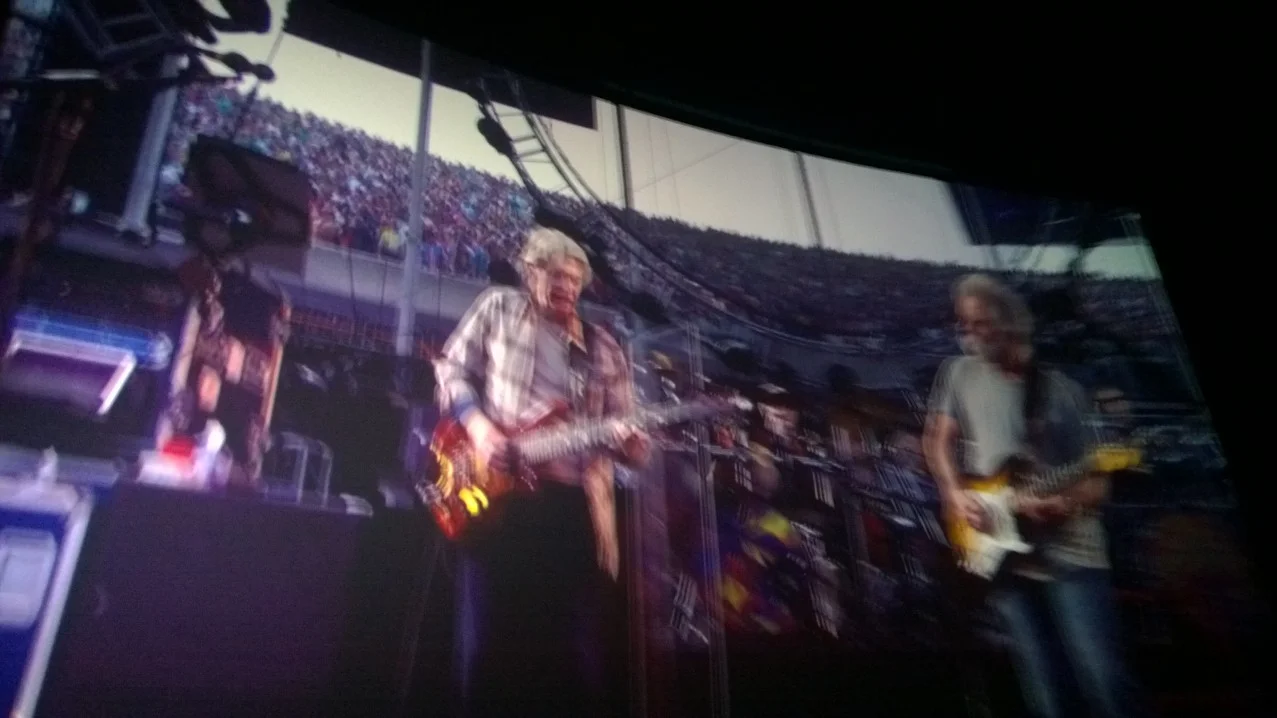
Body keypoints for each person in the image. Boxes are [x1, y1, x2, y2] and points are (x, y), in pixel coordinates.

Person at [433, 227, 651, 718]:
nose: (568, 287)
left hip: (571, 511)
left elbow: (629, 440)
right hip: (498, 501)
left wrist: (633, 448)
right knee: (486, 647)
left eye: (576, 279)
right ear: (530, 272)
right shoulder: (497, 308)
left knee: (572, 656)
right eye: (557, 275)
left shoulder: (603, 347)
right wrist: (481, 430)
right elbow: (450, 369)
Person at [921, 273, 1141, 718]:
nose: (970, 334)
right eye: (965, 324)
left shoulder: (1063, 390)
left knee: (1103, 681)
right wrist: (955, 494)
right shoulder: (958, 373)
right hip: (1001, 551)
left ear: (1010, 321)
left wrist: (1064, 504)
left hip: (1071, 553)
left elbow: (1098, 481)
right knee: (1045, 694)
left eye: (981, 323)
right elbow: (936, 441)